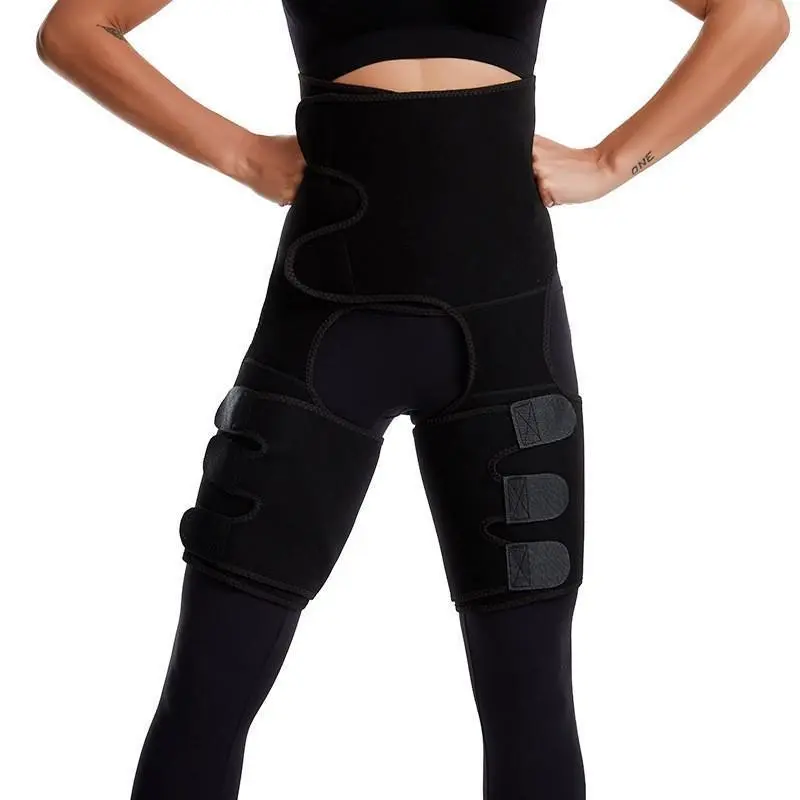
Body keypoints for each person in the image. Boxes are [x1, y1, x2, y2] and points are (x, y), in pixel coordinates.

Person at [36, 1, 789, 798]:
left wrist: (612, 161)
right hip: (323, 329)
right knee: (206, 695)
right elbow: (74, 30)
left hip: (505, 341)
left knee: (531, 709)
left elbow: (753, 16)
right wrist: (243, 154)